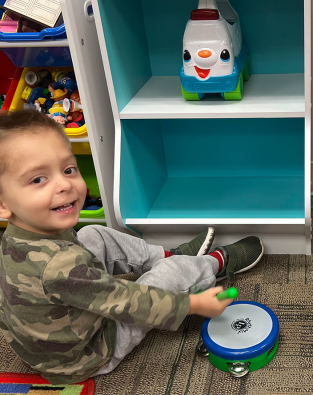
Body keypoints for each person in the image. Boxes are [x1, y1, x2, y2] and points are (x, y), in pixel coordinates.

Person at [0, 109, 264, 384]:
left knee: (92, 234)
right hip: (90, 355)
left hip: (52, 343)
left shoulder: (18, 234)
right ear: (3, 203)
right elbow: (129, 302)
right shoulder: (61, 266)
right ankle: (213, 264)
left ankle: (170, 255)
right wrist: (195, 304)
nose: (64, 184)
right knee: (166, 277)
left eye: (68, 169)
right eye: (38, 179)